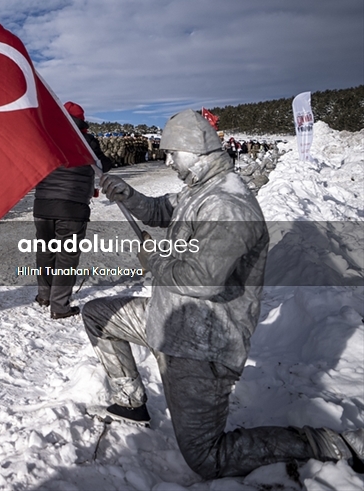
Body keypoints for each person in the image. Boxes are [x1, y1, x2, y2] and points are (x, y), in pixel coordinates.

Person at [89, 109, 364, 479]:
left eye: (172, 153)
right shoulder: (199, 189)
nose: (167, 161)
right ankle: (131, 401)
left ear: (197, 149)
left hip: (203, 344)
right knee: (97, 315)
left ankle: (329, 444)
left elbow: (203, 280)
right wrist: (128, 194)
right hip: (170, 318)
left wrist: (155, 260)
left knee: (206, 457)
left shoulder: (228, 204)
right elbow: (160, 210)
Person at [32, 102, 112, 319]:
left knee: (45, 252)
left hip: (43, 204)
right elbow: (104, 165)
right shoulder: (87, 142)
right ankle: (59, 306)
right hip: (72, 206)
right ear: (81, 120)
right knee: (66, 257)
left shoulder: (46, 137)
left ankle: (44, 296)